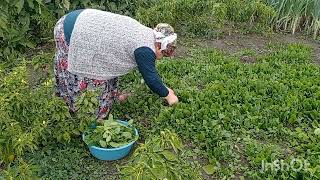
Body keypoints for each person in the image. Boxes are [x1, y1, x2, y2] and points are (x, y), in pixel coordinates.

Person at [53, 9, 179, 120]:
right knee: (84, 75)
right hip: (72, 32)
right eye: (165, 53)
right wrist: (169, 96)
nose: (164, 57)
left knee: (105, 71)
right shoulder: (145, 50)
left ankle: (108, 100)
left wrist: (166, 90)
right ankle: (78, 113)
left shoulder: (147, 34)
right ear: (159, 45)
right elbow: (151, 79)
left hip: (78, 19)